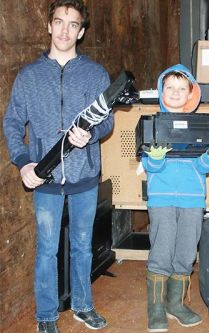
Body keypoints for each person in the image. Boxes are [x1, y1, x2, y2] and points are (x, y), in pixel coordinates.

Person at [3, 1, 112, 332]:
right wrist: (23, 162)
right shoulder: (28, 77)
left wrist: (90, 134)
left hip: (84, 175)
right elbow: (11, 123)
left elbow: (107, 122)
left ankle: (82, 305)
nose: (65, 30)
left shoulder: (95, 74)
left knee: (82, 245)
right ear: (49, 26)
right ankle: (46, 316)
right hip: (45, 177)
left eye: (73, 24)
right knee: (47, 249)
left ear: (81, 31)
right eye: (59, 22)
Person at [140, 64, 209, 332]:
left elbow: (201, 167)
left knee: (186, 250)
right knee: (162, 249)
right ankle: (155, 309)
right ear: (161, 91)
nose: (176, 92)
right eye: (170, 88)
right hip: (162, 198)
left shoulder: (201, 126)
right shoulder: (152, 125)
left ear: (191, 93)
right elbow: (150, 165)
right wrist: (155, 157)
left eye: (182, 88)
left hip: (193, 199)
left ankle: (174, 304)